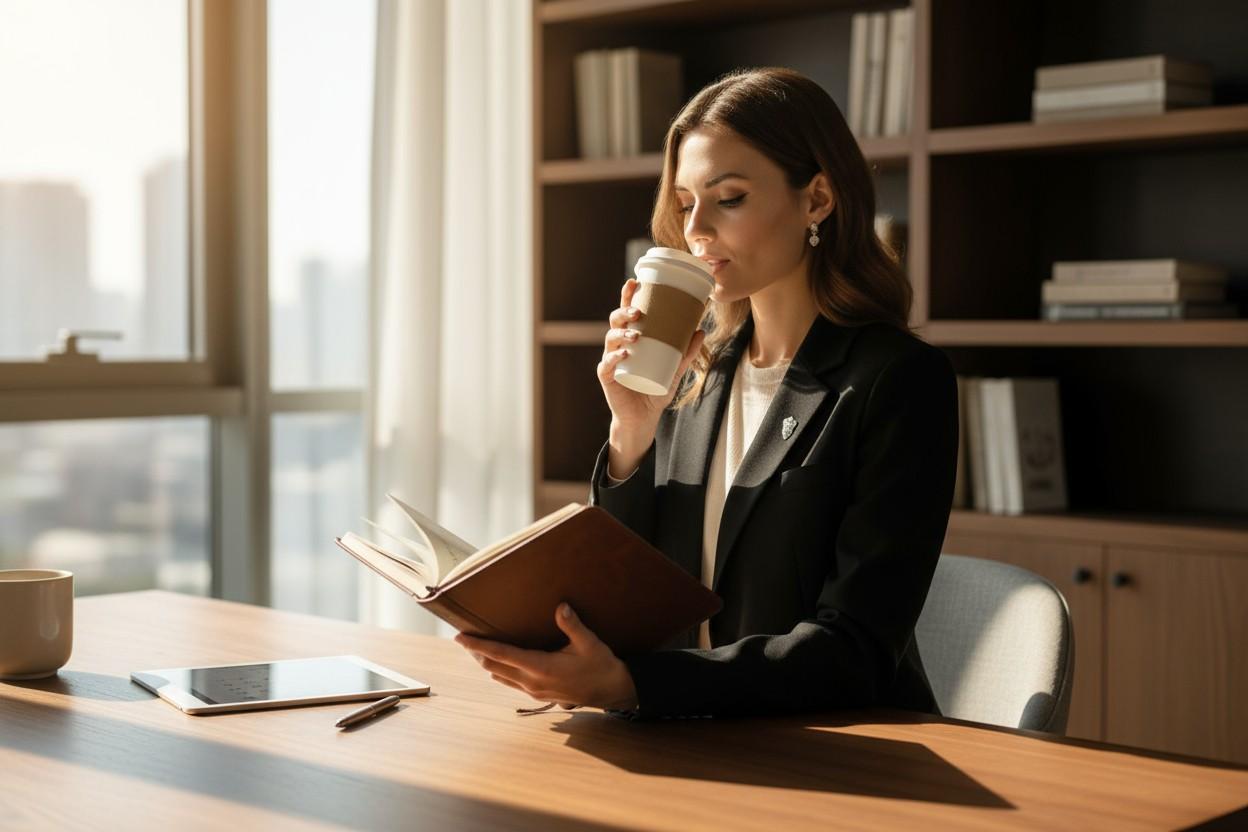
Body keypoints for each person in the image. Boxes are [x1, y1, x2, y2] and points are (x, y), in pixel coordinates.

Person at [455, 67, 959, 719]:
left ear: (817, 200)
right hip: (685, 735)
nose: (696, 229)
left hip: (835, 752)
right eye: (687, 202)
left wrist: (635, 686)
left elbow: (852, 652)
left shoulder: (896, 380)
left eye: (728, 198)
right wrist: (629, 435)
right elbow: (633, 597)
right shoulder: (699, 371)